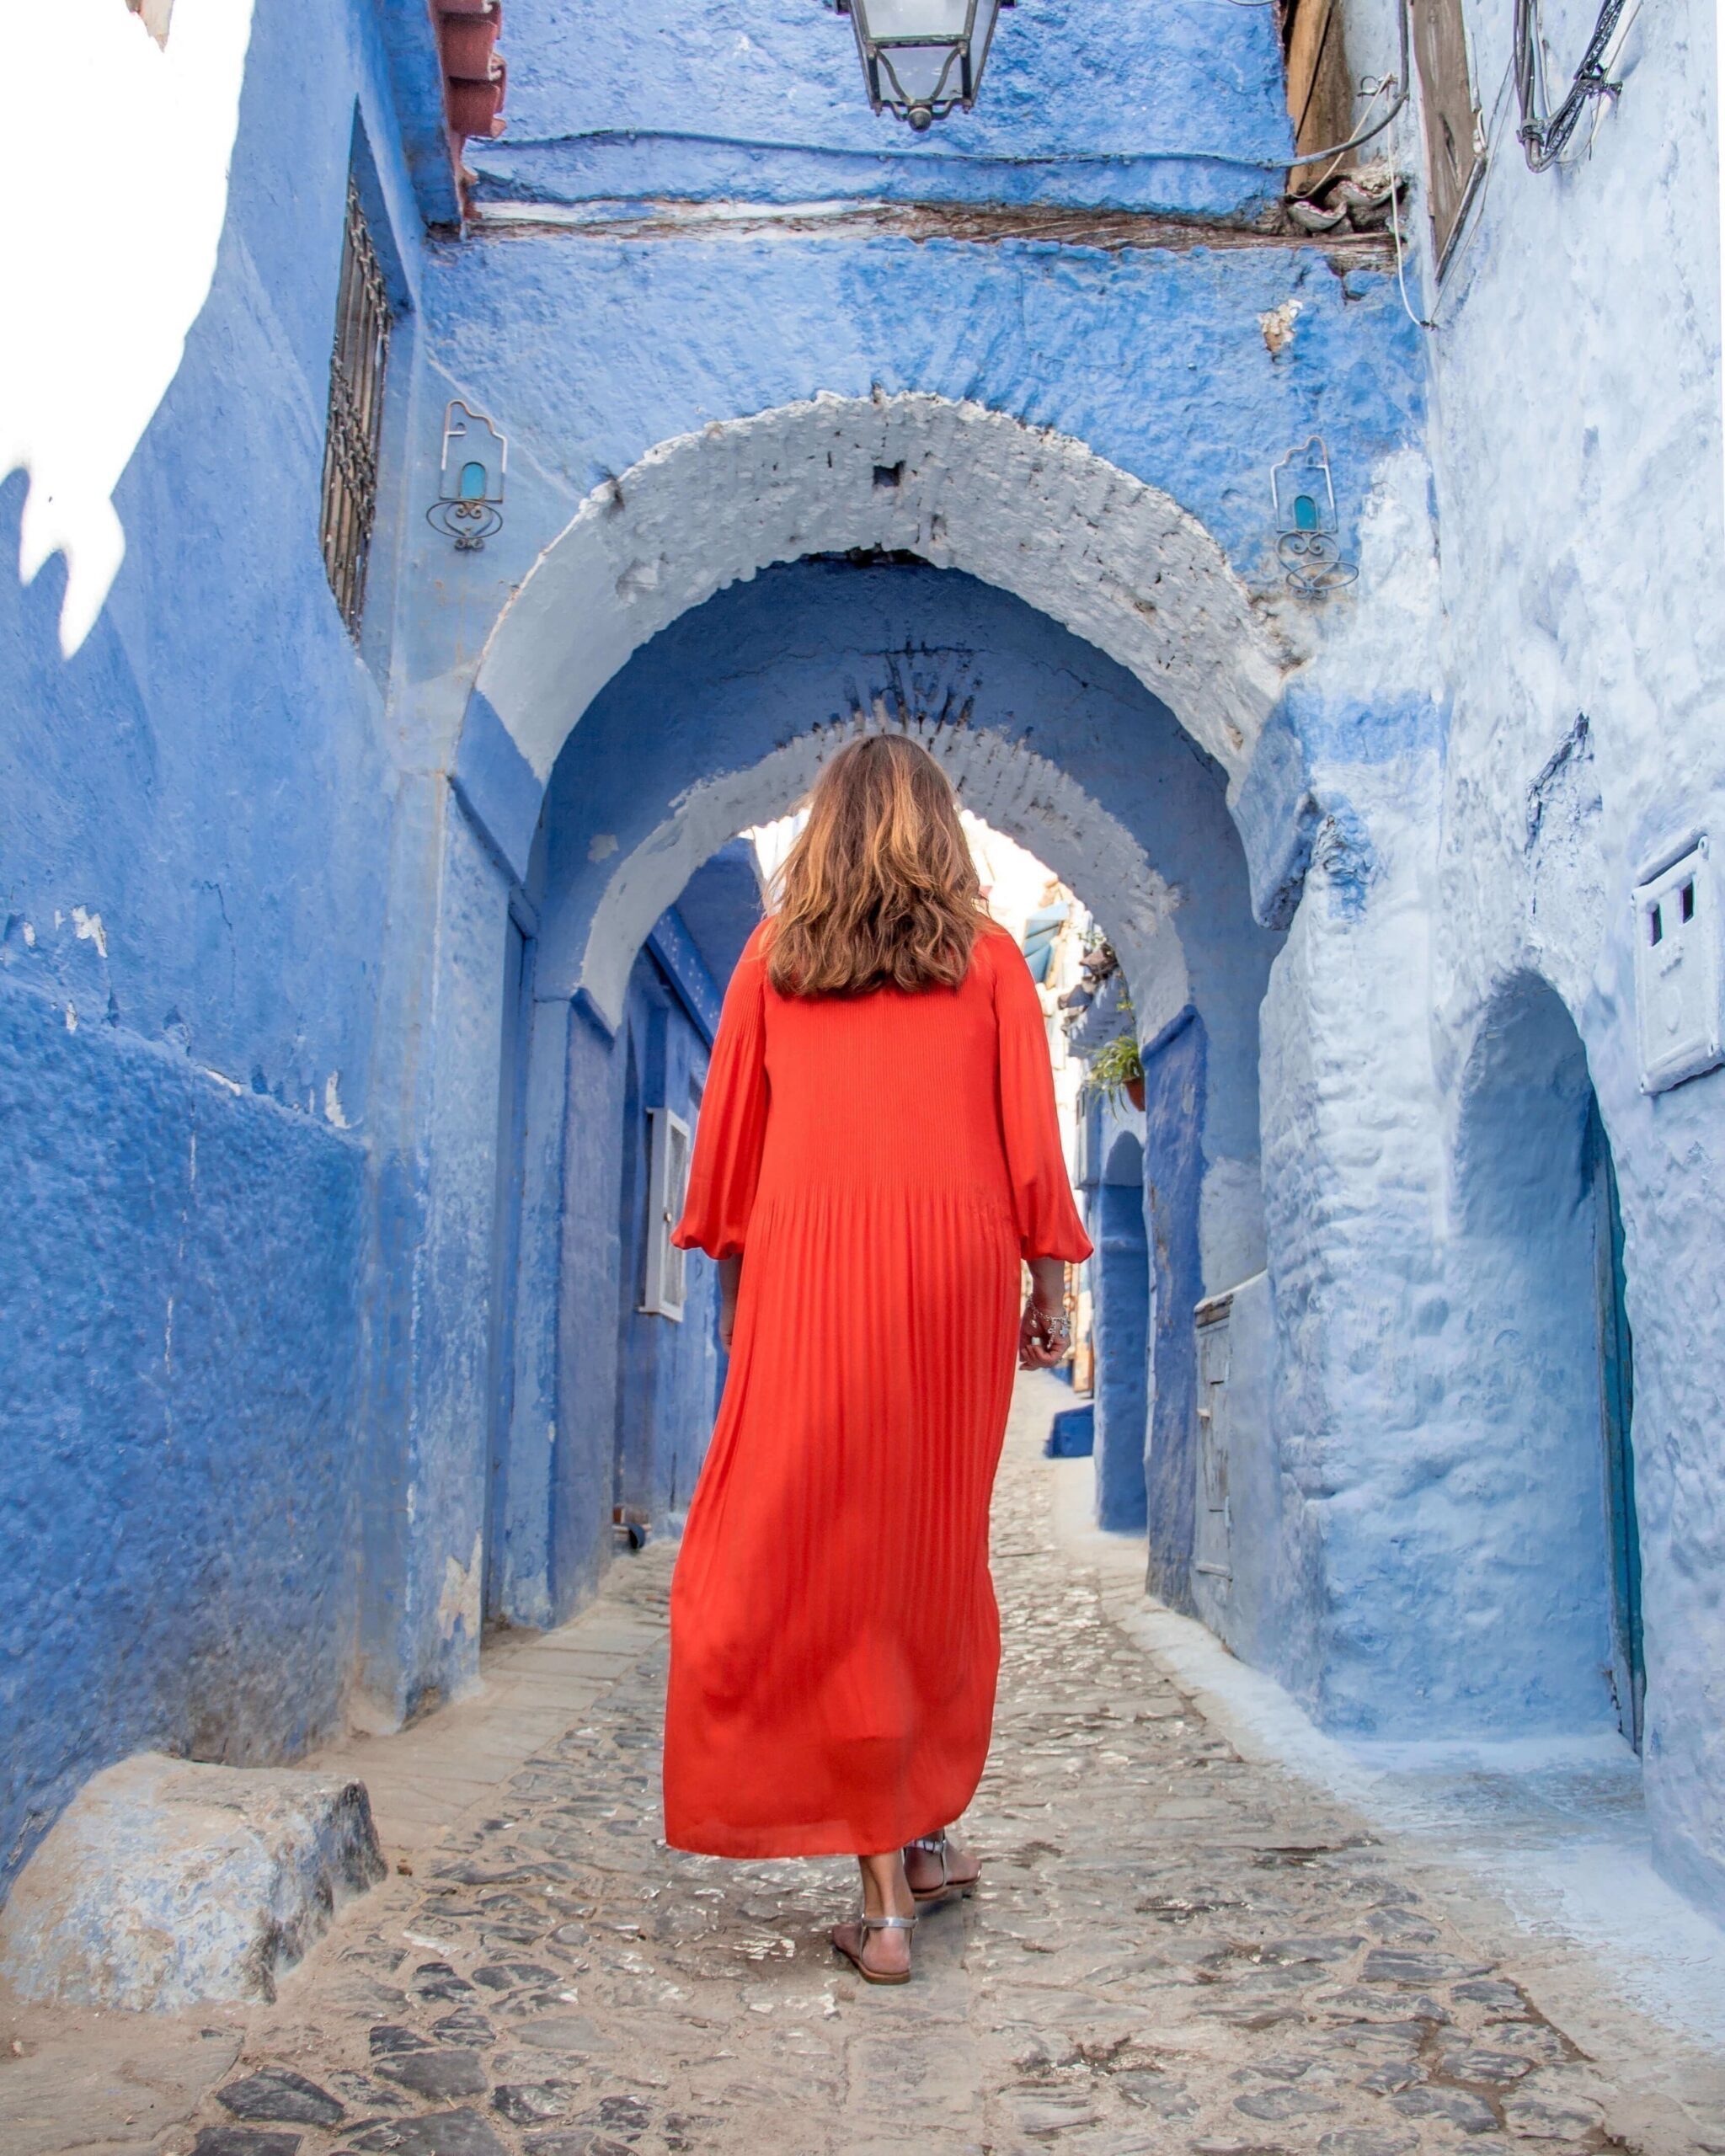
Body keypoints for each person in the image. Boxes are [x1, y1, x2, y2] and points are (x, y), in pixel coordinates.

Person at [665, 734, 1092, 1985]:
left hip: (812, 1269)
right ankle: (923, 1831)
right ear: (940, 834)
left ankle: (883, 1896)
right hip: (954, 1279)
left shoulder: (771, 961)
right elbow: (1032, 1144)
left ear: (829, 830)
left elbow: (733, 1147)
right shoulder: (997, 965)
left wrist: (743, 1300)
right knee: (926, 1556)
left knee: (810, 1554)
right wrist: (1051, 1287)